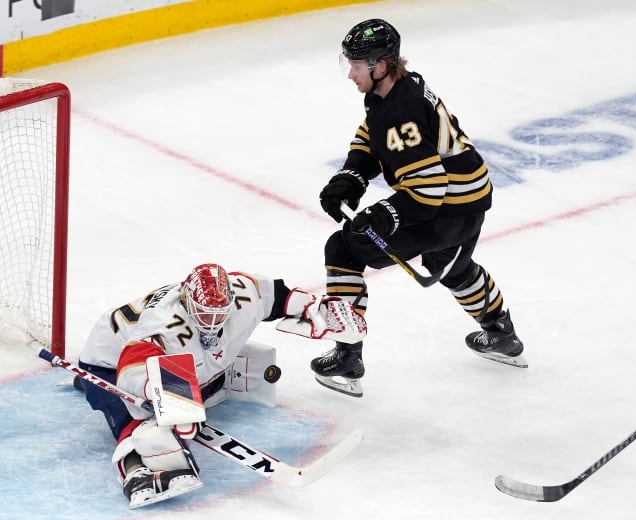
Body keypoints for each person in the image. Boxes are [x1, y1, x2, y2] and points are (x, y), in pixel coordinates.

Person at [313, 19, 525, 398]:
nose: (350, 74)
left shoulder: (401, 111)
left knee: (342, 248)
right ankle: (501, 335)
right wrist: (352, 175)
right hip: (467, 199)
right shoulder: (397, 88)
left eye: (357, 65)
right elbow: (371, 135)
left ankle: (347, 355)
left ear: (380, 65)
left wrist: (384, 215)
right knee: (455, 269)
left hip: (449, 207)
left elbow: (427, 191)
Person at [76, 263, 365, 508]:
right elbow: (133, 361)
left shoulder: (241, 293)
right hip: (110, 363)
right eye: (204, 313)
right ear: (187, 301)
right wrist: (164, 398)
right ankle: (136, 471)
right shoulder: (164, 323)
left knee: (190, 401)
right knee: (146, 422)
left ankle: (191, 396)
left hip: (164, 356)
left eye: (219, 313)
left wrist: (316, 309)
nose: (212, 321)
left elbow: (275, 295)